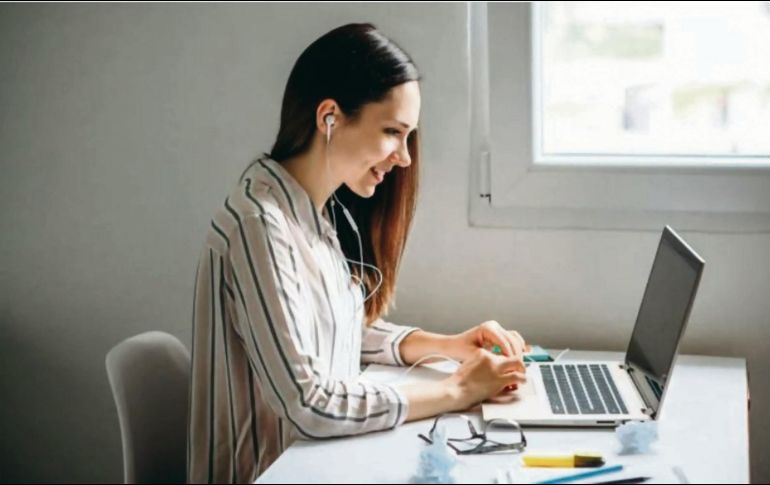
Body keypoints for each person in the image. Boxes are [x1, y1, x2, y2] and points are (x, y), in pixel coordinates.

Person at [187, 22, 528, 484]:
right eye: (392, 131)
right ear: (329, 117)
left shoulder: (310, 210)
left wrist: (445, 345)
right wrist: (458, 389)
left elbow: (328, 332)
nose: (405, 157)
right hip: (274, 472)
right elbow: (309, 405)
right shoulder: (260, 225)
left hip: (318, 463)